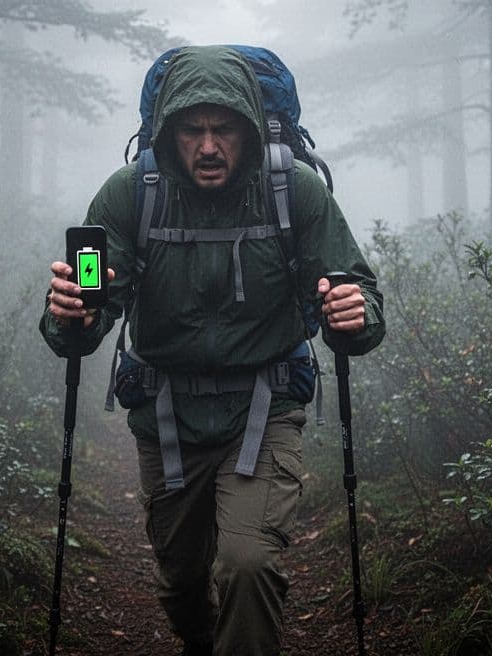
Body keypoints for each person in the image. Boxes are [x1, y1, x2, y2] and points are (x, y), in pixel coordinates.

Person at [40, 45, 385, 656]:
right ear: (166, 133)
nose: (207, 146)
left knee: (246, 565)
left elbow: (352, 289)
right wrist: (71, 313)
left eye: (223, 128)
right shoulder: (129, 195)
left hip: (265, 408)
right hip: (166, 414)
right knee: (181, 581)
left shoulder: (293, 192)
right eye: (191, 130)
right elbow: (89, 310)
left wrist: (354, 316)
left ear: (250, 130)